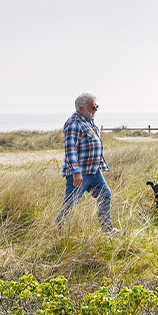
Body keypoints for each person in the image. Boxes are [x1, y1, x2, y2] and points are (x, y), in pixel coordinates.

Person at [55, 93, 119, 232]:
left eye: (96, 106)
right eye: (92, 107)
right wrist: (76, 172)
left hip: (94, 171)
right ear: (81, 108)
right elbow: (70, 149)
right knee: (70, 203)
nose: (95, 109)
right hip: (80, 173)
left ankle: (107, 230)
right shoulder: (74, 123)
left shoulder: (88, 121)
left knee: (105, 195)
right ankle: (58, 231)